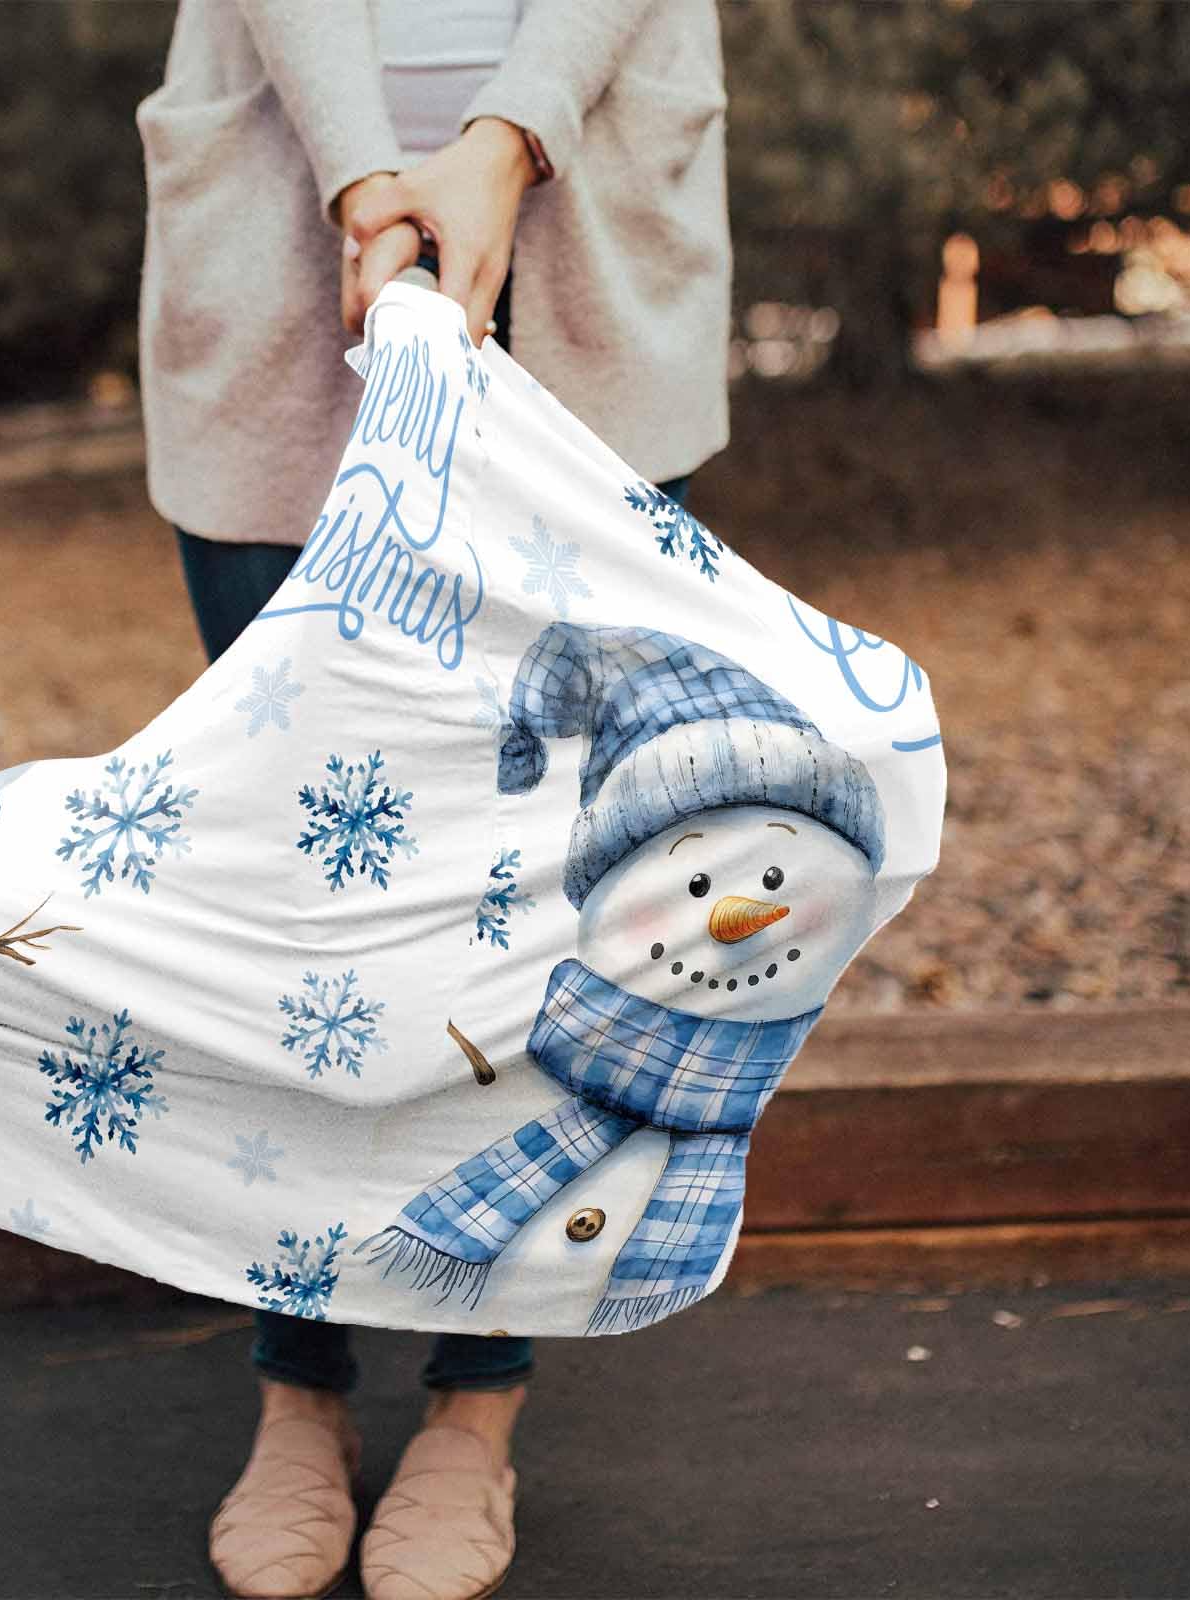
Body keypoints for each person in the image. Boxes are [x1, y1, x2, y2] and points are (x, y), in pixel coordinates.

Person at [134, 4, 731, 1595]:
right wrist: (362, 178)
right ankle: (299, 1387)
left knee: (534, 883)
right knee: (297, 877)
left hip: (586, 222)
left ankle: (477, 1404)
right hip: (286, 224)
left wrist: (504, 138)